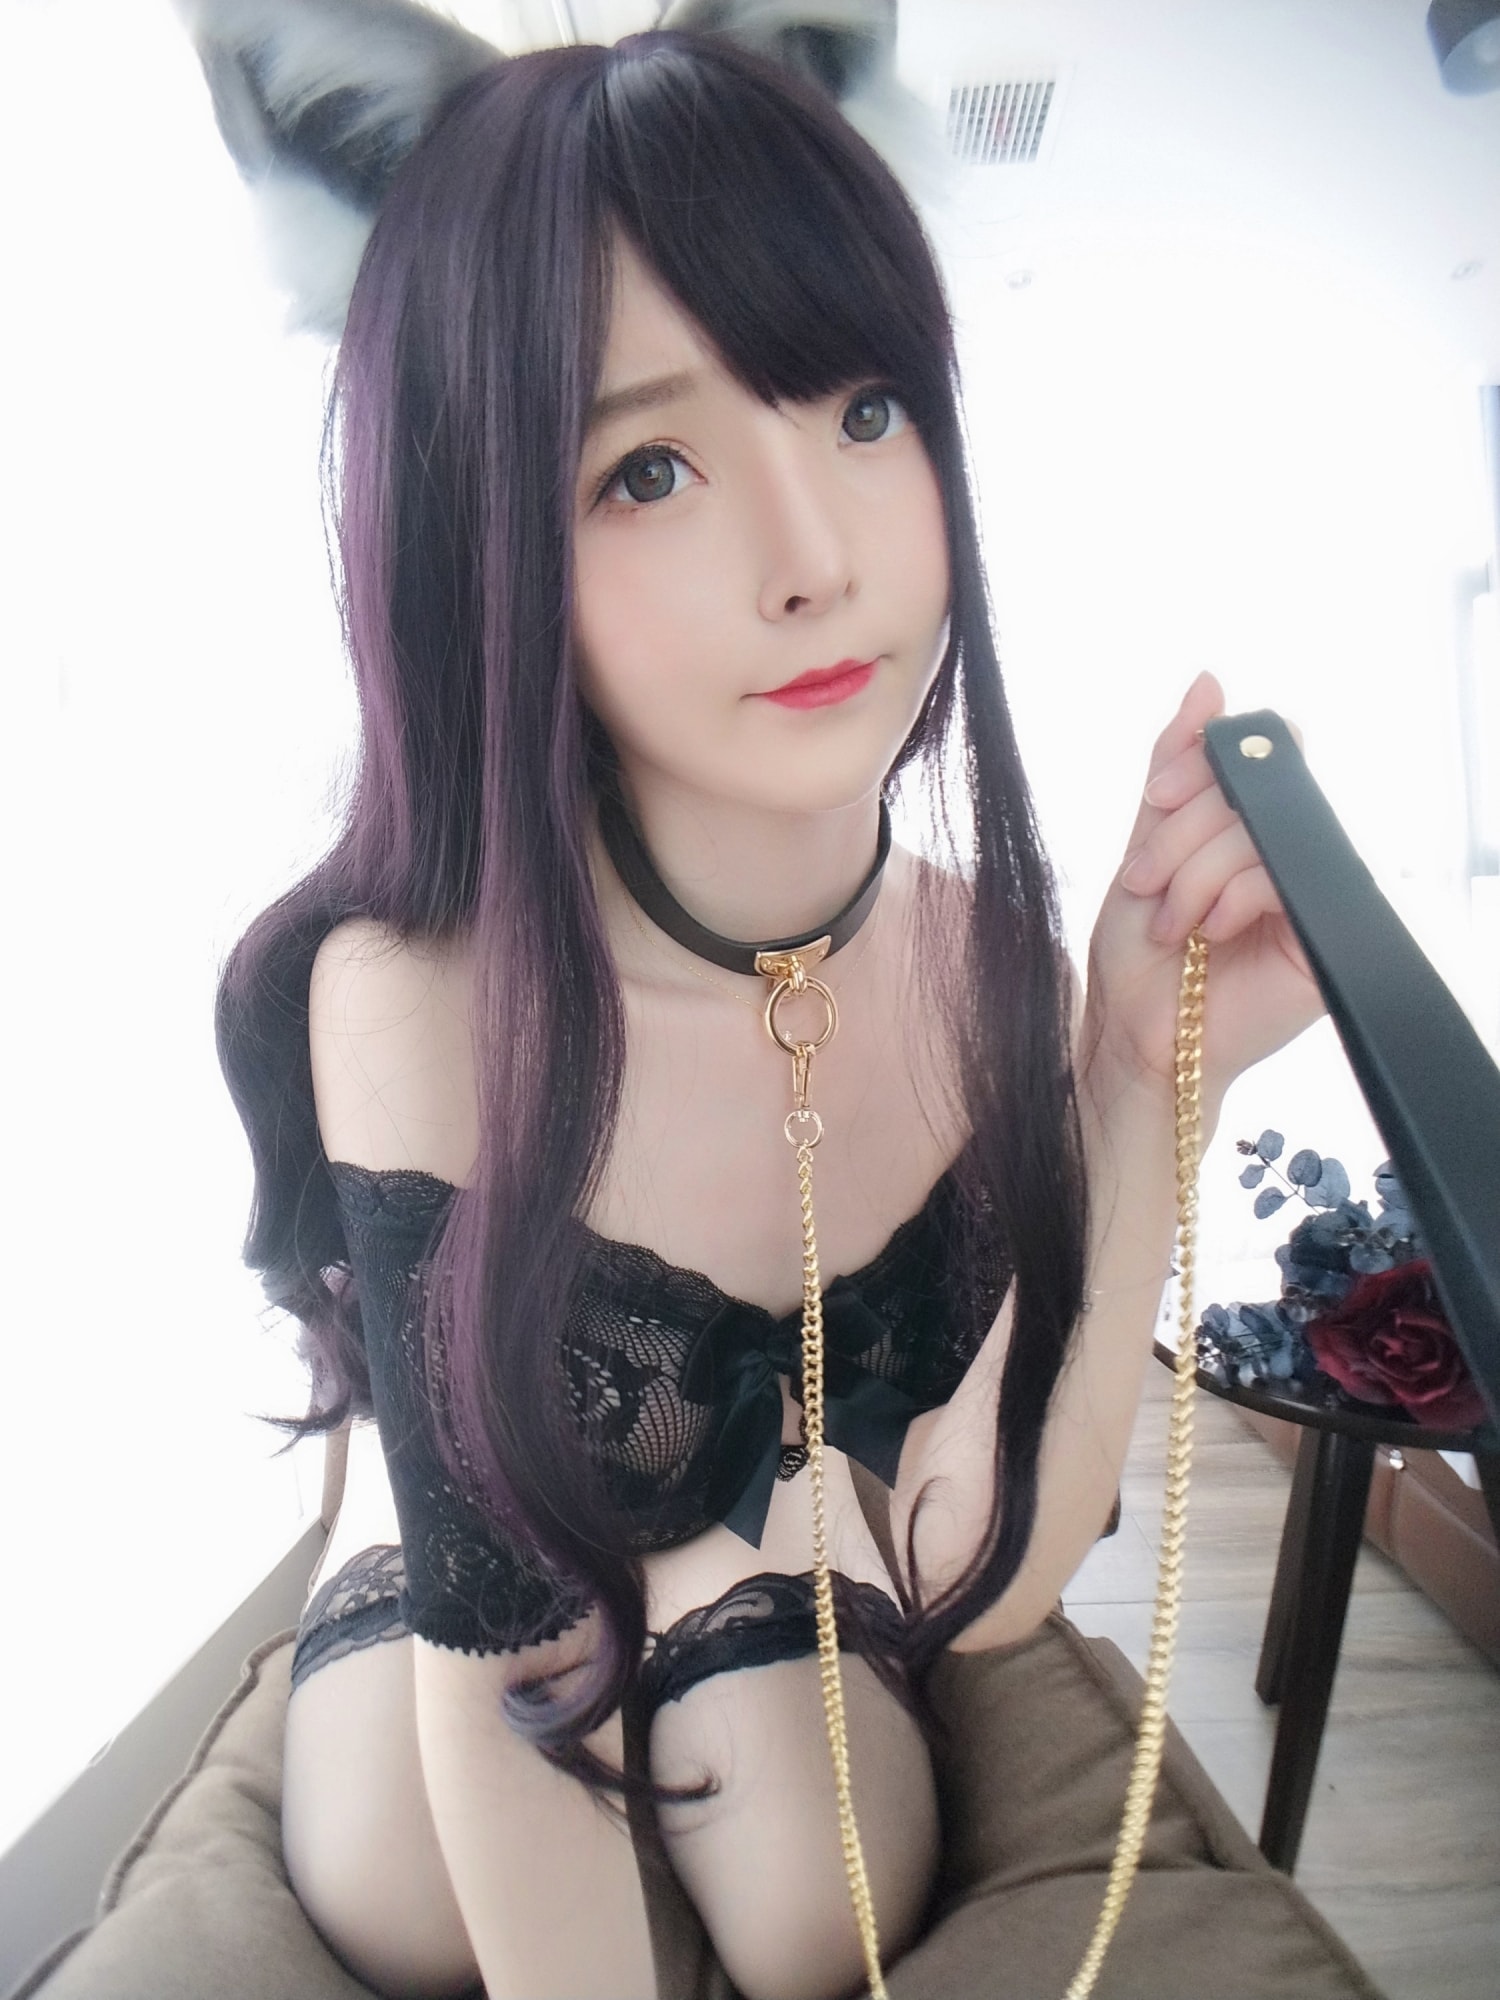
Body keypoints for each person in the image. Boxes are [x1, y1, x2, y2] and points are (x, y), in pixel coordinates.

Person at [198, 9, 1325, 1998]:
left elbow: (983, 1575)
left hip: (798, 1543)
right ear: (478, 536)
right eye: (647, 468)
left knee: (817, 1903)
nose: (814, 559)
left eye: (865, 409)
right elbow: (494, 1658)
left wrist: (1148, 1079)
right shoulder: (417, 996)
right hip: (476, 1606)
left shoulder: (975, 955)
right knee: (410, 1879)